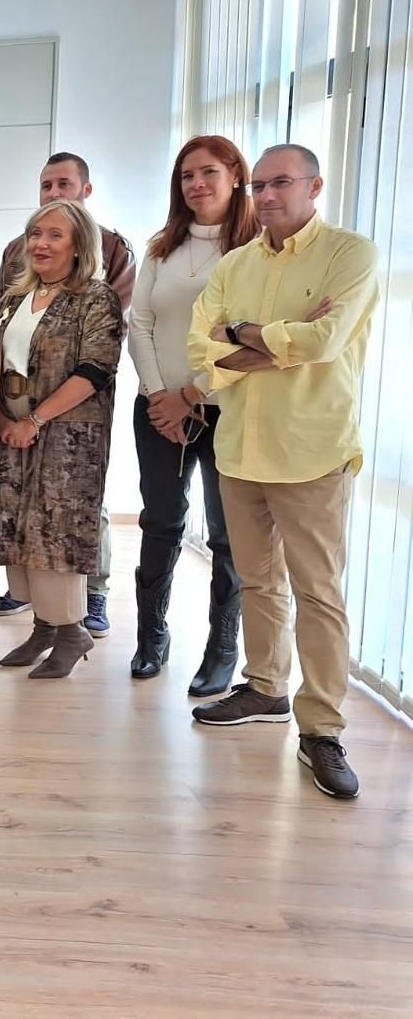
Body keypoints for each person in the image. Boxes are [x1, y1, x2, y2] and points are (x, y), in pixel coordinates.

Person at [188, 144, 378, 801]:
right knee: (258, 583)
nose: (267, 196)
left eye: (281, 183)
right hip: (241, 449)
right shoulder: (235, 263)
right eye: (259, 185)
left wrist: (243, 334)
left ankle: (322, 728)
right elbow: (201, 358)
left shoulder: (351, 255)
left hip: (313, 452)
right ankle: (266, 688)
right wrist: (279, 341)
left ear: (315, 186)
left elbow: (327, 342)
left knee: (318, 594)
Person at [127, 136, 259, 686]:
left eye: (208, 172)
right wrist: (162, 395)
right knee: (160, 522)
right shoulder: (161, 248)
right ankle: (151, 636)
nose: (197, 184)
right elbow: (140, 324)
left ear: (235, 176)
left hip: (228, 408)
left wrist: (192, 394)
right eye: (186, 176)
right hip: (158, 409)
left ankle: (221, 649)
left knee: (229, 535)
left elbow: (245, 340)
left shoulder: (254, 251)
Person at [0, 152, 136, 636]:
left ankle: (72, 629)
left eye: (54, 236)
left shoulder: (96, 295)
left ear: (78, 245)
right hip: (13, 427)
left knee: (60, 530)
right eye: (36, 235)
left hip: (67, 432)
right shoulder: (14, 296)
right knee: (19, 524)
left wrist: (35, 420)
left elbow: (96, 368)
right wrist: (4, 419)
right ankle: (42, 630)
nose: (41, 243)